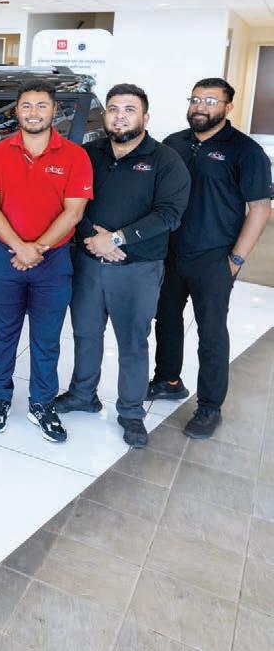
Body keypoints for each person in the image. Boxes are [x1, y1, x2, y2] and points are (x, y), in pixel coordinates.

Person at [55, 84, 190, 448]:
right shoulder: (88, 154)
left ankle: (130, 411)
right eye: (113, 109)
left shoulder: (166, 160)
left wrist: (116, 239)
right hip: (88, 262)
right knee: (85, 333)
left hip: (138, 269)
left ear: (146, 117)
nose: (119, 116)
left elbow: (169, 214)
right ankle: (83, 394)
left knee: (132, 342)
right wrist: (92, 237)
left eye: (129, 110)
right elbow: (71, 202)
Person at [151, 77, 272, 439]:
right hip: (171, 252)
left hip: (215, 258)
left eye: (210, 101)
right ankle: (168, 380)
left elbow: (260, 208)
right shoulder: (174, 143)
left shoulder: (245, 150)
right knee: (166, 320)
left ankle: (209, 406)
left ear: (227, 107)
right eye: (195, 99)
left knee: (211, 333)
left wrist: (236, 260)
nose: (200, 107)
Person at [0, 85, 93, 443]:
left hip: (53, 262)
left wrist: (37, 248)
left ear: (54, 111)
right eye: (26, 106)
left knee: (46, 339)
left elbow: (74, 212)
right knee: (4, 334)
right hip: (6, 259)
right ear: (16, 111)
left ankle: (41, 403)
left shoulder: (75, 156)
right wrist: (20, 248)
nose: (33, 112)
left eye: (41, 106)